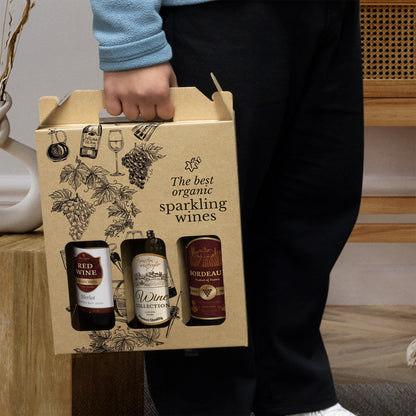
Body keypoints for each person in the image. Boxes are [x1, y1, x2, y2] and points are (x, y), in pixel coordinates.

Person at [88, 1, 364, 415]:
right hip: (215, 13)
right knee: (200, 226)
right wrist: (130, 39)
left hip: (325, 13)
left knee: (308, 210)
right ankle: (206, 404)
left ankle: (292, 395)